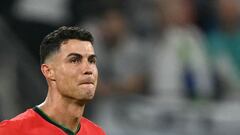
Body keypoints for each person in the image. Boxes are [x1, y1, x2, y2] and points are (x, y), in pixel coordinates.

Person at [0, 26, 106, 135]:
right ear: (48, 71)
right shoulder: (12, 131)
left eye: (91, 61)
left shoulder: (96, 132)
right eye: (74, 60)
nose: (88, 69)